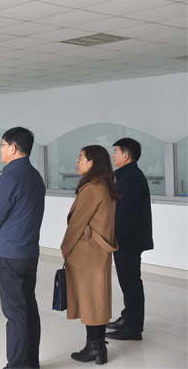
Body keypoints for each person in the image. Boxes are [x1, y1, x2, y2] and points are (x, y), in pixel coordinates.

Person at [0, 127, 45, 369]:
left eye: (2, 145)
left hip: (9, 253)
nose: (1, 149)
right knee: (29, 306)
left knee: (15, 312)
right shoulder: (35, 175)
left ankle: (16, 365)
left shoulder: (10, 176)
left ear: (13, 148)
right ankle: (31, 362)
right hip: (29, 252)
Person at [61, 145, 120, 365]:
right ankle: (98, 346)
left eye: (81, 158)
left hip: (87, 252)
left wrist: (65, 247)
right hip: (99, 251)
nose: (77, 162)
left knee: (90, 301)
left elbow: (77, 223)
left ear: (92, 162)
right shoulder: (106, 185)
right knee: (97, 298)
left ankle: (94, 348)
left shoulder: (91, 189)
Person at [106, 138, 153, 341]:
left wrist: (113, 240)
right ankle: (128, 317)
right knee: (128, 282)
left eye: (116, 152)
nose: (113, 155)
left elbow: (126, 214)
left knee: (131, 283)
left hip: (128, 241)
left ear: (126, 156)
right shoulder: (126, 175)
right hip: (127, 240)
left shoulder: (131, 178)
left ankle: (133, 327)